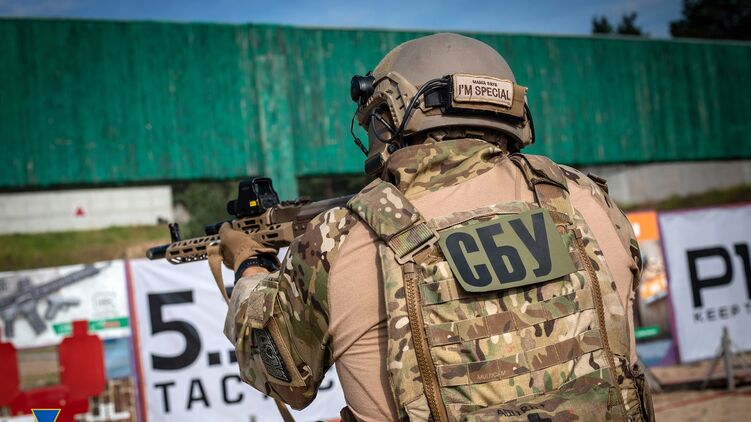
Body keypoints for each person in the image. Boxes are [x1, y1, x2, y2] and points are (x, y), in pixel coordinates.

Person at [220, 33, 654, 421]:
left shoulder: (341, 236)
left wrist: (249, 265)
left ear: (388, 117)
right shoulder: (584, 197)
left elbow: (280, 376)